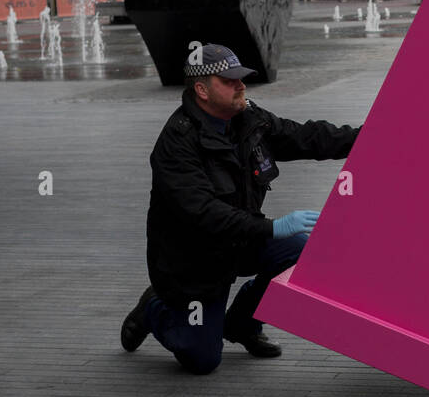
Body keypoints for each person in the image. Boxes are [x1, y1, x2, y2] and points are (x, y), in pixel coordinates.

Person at [121, 43, 360, 374]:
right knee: (202, 360)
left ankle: (242, 324)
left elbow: (306, 137)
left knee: (305, 253)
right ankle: (154, 309)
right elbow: (203, 211)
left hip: (242, 239)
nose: (241, 85)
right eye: (229, 80)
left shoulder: (249, 120)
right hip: (194, 264)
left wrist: (368, 136)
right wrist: (272, 228)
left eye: (241, 78)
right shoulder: (176, 144)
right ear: (202, 90)